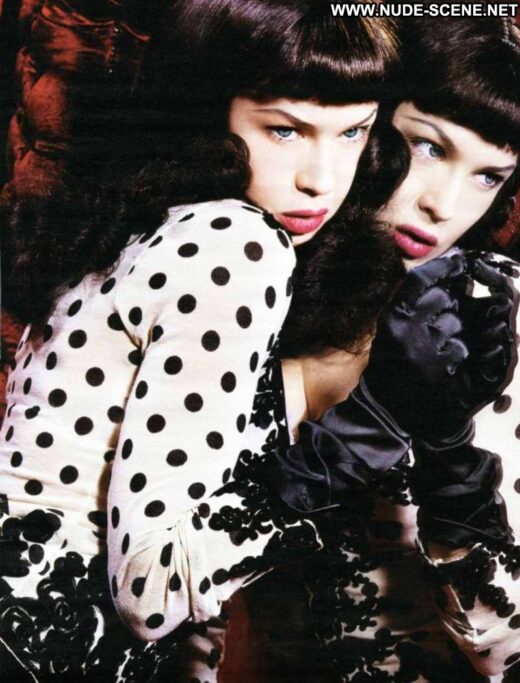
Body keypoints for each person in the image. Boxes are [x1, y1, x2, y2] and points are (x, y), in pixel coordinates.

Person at [0, 1, 407, 680]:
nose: (321, 178)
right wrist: (337, 456)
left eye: (352, 132)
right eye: (285, 130)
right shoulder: (237, 244)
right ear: (212, 111)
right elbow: (151, 590)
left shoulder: (150, 220)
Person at [250, 14, 520, 683]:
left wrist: (449, 450)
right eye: (427, 147)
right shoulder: (247, 284)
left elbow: (507, 652)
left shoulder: (498, 318)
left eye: (489, 176)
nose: (443, 205)